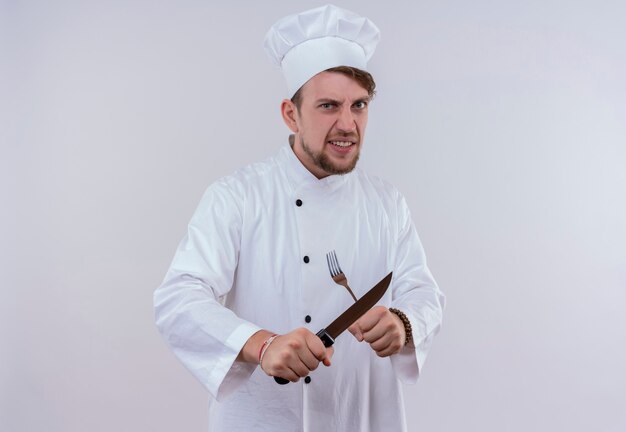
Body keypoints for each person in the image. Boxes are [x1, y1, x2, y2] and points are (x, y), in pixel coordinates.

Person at [154, 5, 445, 431]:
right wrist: (260, 344)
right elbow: (178, 297)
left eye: (359, 105)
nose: (348, 124)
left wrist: (403, 323)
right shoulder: (237, 197)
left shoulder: (387, 204)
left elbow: (423, 293)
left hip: (358, 418)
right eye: (329, 105)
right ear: (291, 114)